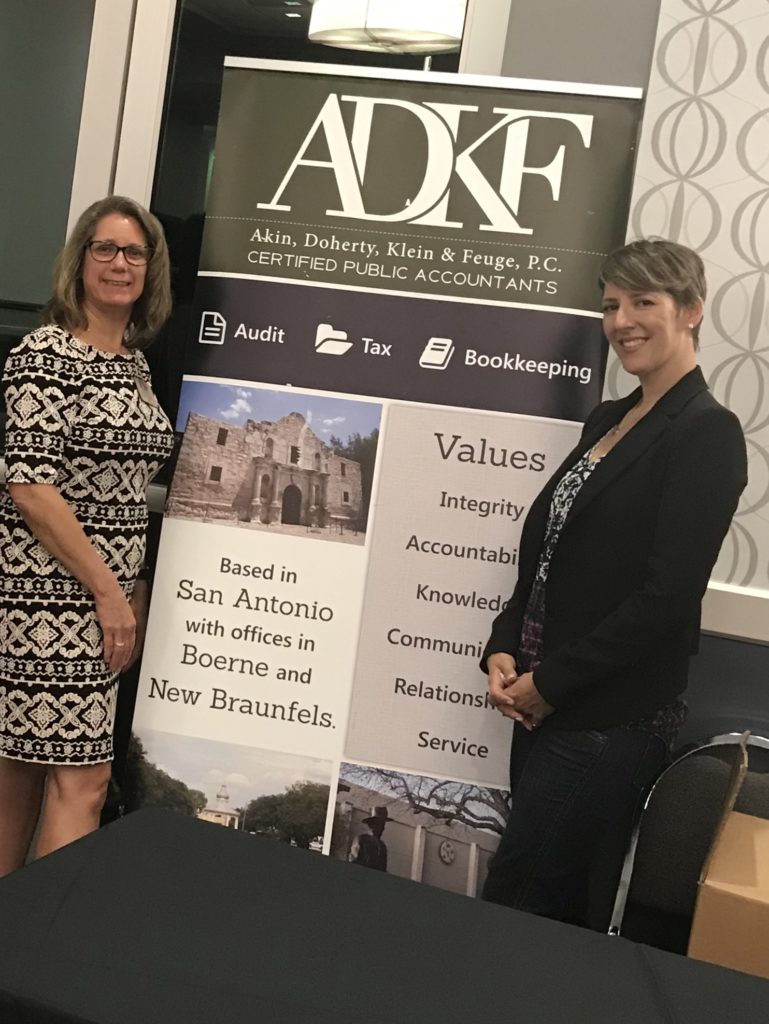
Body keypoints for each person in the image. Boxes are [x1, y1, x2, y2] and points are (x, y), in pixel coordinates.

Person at [481, 238, 747, 930]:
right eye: (609, 305)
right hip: (543, 700)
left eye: (642, 302)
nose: (621, 320)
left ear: (689, 310)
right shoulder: (608, 417)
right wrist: (503, 644)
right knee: (542, 902)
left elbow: (665, 599)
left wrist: (552, 682)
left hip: (607, 718)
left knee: (521, 900)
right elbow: (546, 554)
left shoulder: (705, 433)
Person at [0, 195, 175, 875]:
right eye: (104, 248)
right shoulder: (45, 355)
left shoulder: (133, 363)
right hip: (47, 594)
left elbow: (125, 494)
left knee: (16, 775)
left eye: (134, 252)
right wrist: (106, 590)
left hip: (103, 597)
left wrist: (130, 589)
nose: (119, 263)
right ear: (79, 262)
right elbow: (29, 486)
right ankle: (41, 957)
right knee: (85, 780)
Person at [349, 806, 390, 871]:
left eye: (383, 825)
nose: (383, 828)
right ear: (371, 825)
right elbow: (353, 864)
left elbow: (383, 870)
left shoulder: (383, 846)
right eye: (380, 824)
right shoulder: (361, 840)